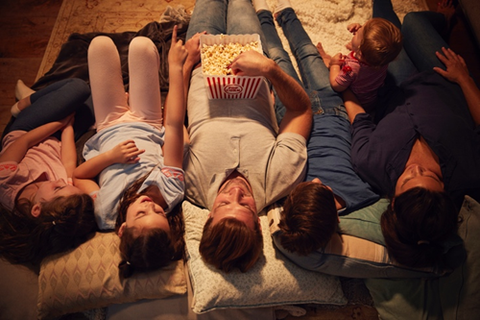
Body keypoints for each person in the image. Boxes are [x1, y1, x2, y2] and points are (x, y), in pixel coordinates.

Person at [343, 0, 480, 268]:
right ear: (444, 191)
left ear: (393, 202)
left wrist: (341, 83)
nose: (417, 169)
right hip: (444, 79)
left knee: (388, 35)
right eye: (431, 176)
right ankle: (443, 21)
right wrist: (464, 77)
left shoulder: (371, 163)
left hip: (395, 85)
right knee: (415, 22)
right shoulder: (470, 172)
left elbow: (359, 118)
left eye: (408, 180)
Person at [182, 0, 312, 273]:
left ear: (208, 217)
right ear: (259, 221)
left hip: (200, 64)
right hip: (251, 61)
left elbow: (171, 122)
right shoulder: (282, 177)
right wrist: (269, 69)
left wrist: (186, 65)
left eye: (224, 203)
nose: (236, 193)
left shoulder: (189, 183)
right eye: (246, 205)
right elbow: (301, 110)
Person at [252, 0, 379, 255]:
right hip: (333, 107)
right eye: (324, 189)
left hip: (292, 114)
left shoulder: (289, 202)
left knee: (277, 59)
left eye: (311, 184)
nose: (318, 179)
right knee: (308, 52)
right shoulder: (366, 194)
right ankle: (286, 12)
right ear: (338, 219)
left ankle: (263, 15)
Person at [73, 27, 188, 279]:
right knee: (142, 46)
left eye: (141, 214)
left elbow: (78, 177)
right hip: (147, 121)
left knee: (100, 45)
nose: (150, 206)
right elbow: (174, 126)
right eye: (159, 214)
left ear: (122, 228)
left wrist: (110, 157)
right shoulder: (171, 192)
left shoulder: (105, 212)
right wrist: (176, 67)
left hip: (109, 125)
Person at [0, 78, 96, 265]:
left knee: (79, 88)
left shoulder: (6, 182)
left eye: (57, 188)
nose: (62, 182)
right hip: (58, 138)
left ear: (36, 209)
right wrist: (67, 128)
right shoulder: (64, 199)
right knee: (100, 97)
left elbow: (25, 141)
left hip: (27, 130)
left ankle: (25, 103)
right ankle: (48, 103)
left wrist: (59, 122)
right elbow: (68, 162)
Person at [316, 16, 402, 113]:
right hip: (371, 99)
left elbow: (337, 85)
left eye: (357, 35)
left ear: (360, 53)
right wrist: (359, 35)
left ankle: (326, 59)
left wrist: (335, 65)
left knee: (331, 64)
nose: (357, 30)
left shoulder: (352, 68)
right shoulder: (383, 58)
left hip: (355, 102)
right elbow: (370, 43)